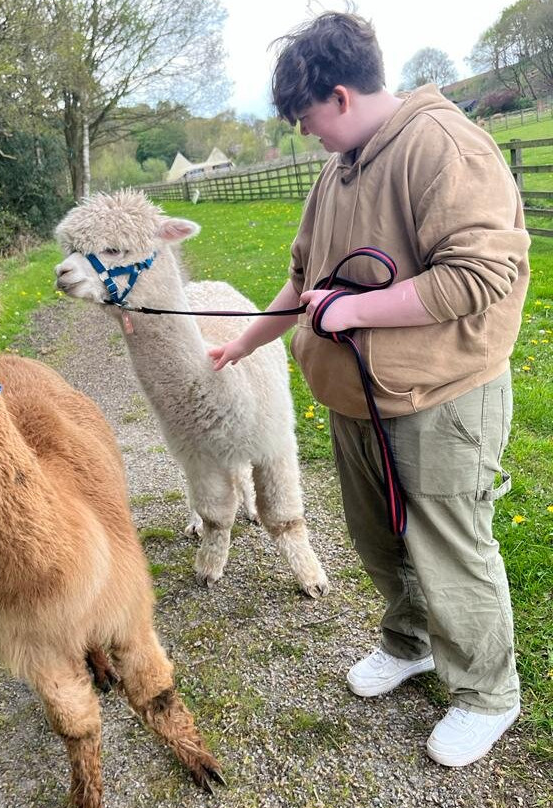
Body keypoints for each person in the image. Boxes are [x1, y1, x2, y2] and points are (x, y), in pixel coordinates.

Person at [209, 11, 529, 768]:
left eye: (305, 116)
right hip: (358, 402)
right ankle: (409, 643)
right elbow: (303, 277)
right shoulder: (337, 168)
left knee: (452, 546)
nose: (303, 132)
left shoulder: (443, 148)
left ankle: (489, 694)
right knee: (379, 540)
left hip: (441, 399)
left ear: (342, 95)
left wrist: (351, 309)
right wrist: (245, 340)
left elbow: (482, 275)